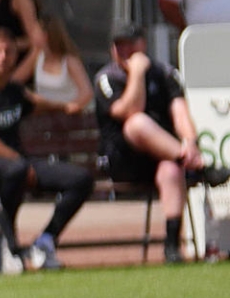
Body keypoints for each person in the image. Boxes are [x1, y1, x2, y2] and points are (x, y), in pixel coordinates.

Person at [0, 28, 94, 272]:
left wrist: (66, 107)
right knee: (17, 170)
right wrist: (18, 160)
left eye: (8, 52)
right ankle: (8, 246)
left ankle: (45, 242)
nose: (3, 57)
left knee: (80, 179)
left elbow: (36, 103)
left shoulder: (14, 91)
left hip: (18, 164)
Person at [93, 26, 228, 264]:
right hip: (123, 158)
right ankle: (199, 167)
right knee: (136, 123)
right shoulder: (108, 77)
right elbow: (128, 111)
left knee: (171, 169)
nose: (124, 50)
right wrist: (137, 73)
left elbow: (180, 114)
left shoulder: (164, 73)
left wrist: (190, 143)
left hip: (163, 155)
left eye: (130, 44)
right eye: (118, 45)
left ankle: (171, 245)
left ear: (143, 44)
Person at [31, 17, 94, 114]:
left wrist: (67, 109)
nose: (32, 35)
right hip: (45, 116)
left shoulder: (70, 61)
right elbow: (16, 79)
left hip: (70, 117)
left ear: (45, 35)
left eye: (35, 32)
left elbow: (87, 93)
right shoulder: (37, 56)